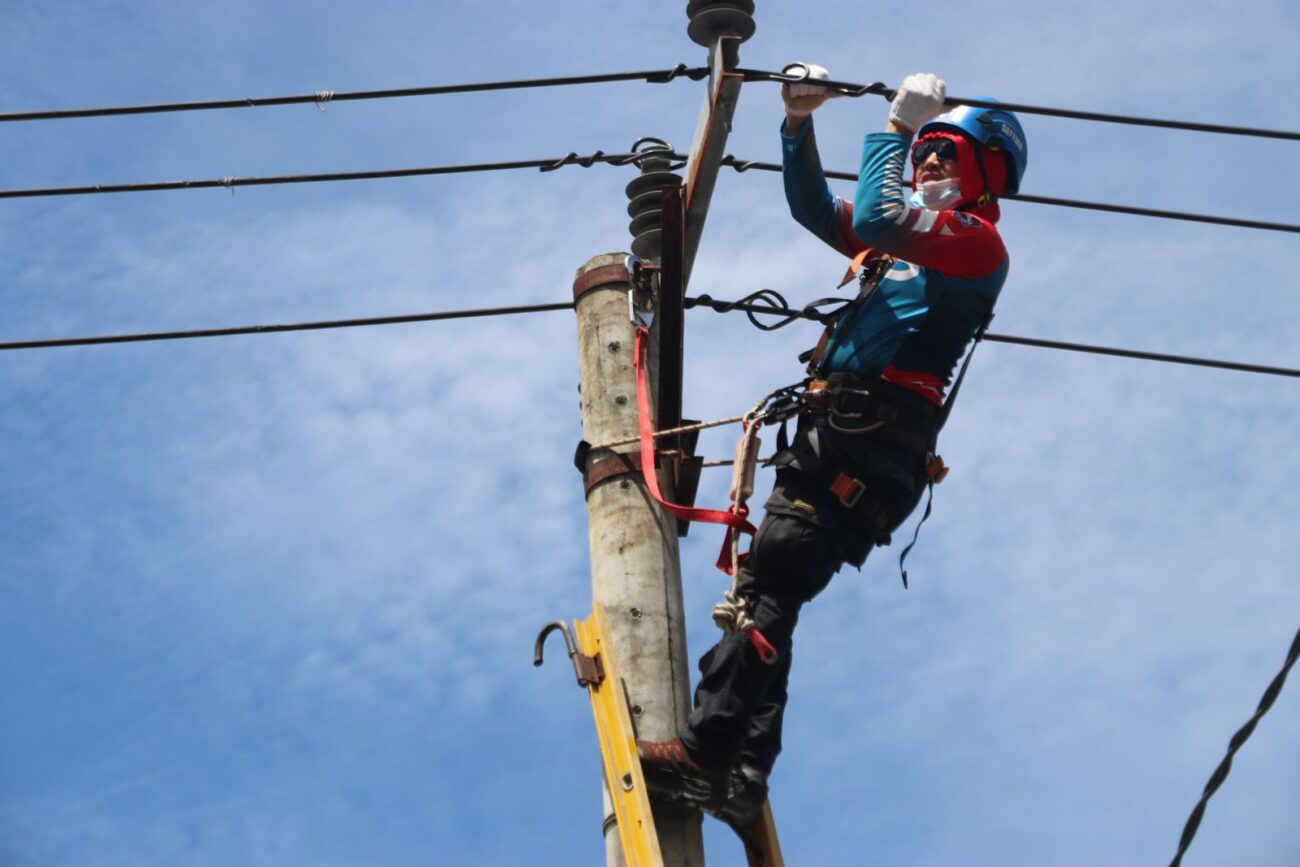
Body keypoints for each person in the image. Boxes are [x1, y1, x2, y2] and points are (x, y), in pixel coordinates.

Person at [637, 69, 1029, 823]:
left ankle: (707, 751)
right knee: (775, 592)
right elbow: (816, 207)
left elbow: (879, 216)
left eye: (947, 154)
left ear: (985, 173)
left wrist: (895, 127)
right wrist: (795, 125)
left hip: (869, 444)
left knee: (771, 581)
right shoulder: (913, 247)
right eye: (925, 154)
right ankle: (744, 765)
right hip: (849, 439)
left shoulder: (978, 246)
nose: (928, 165)